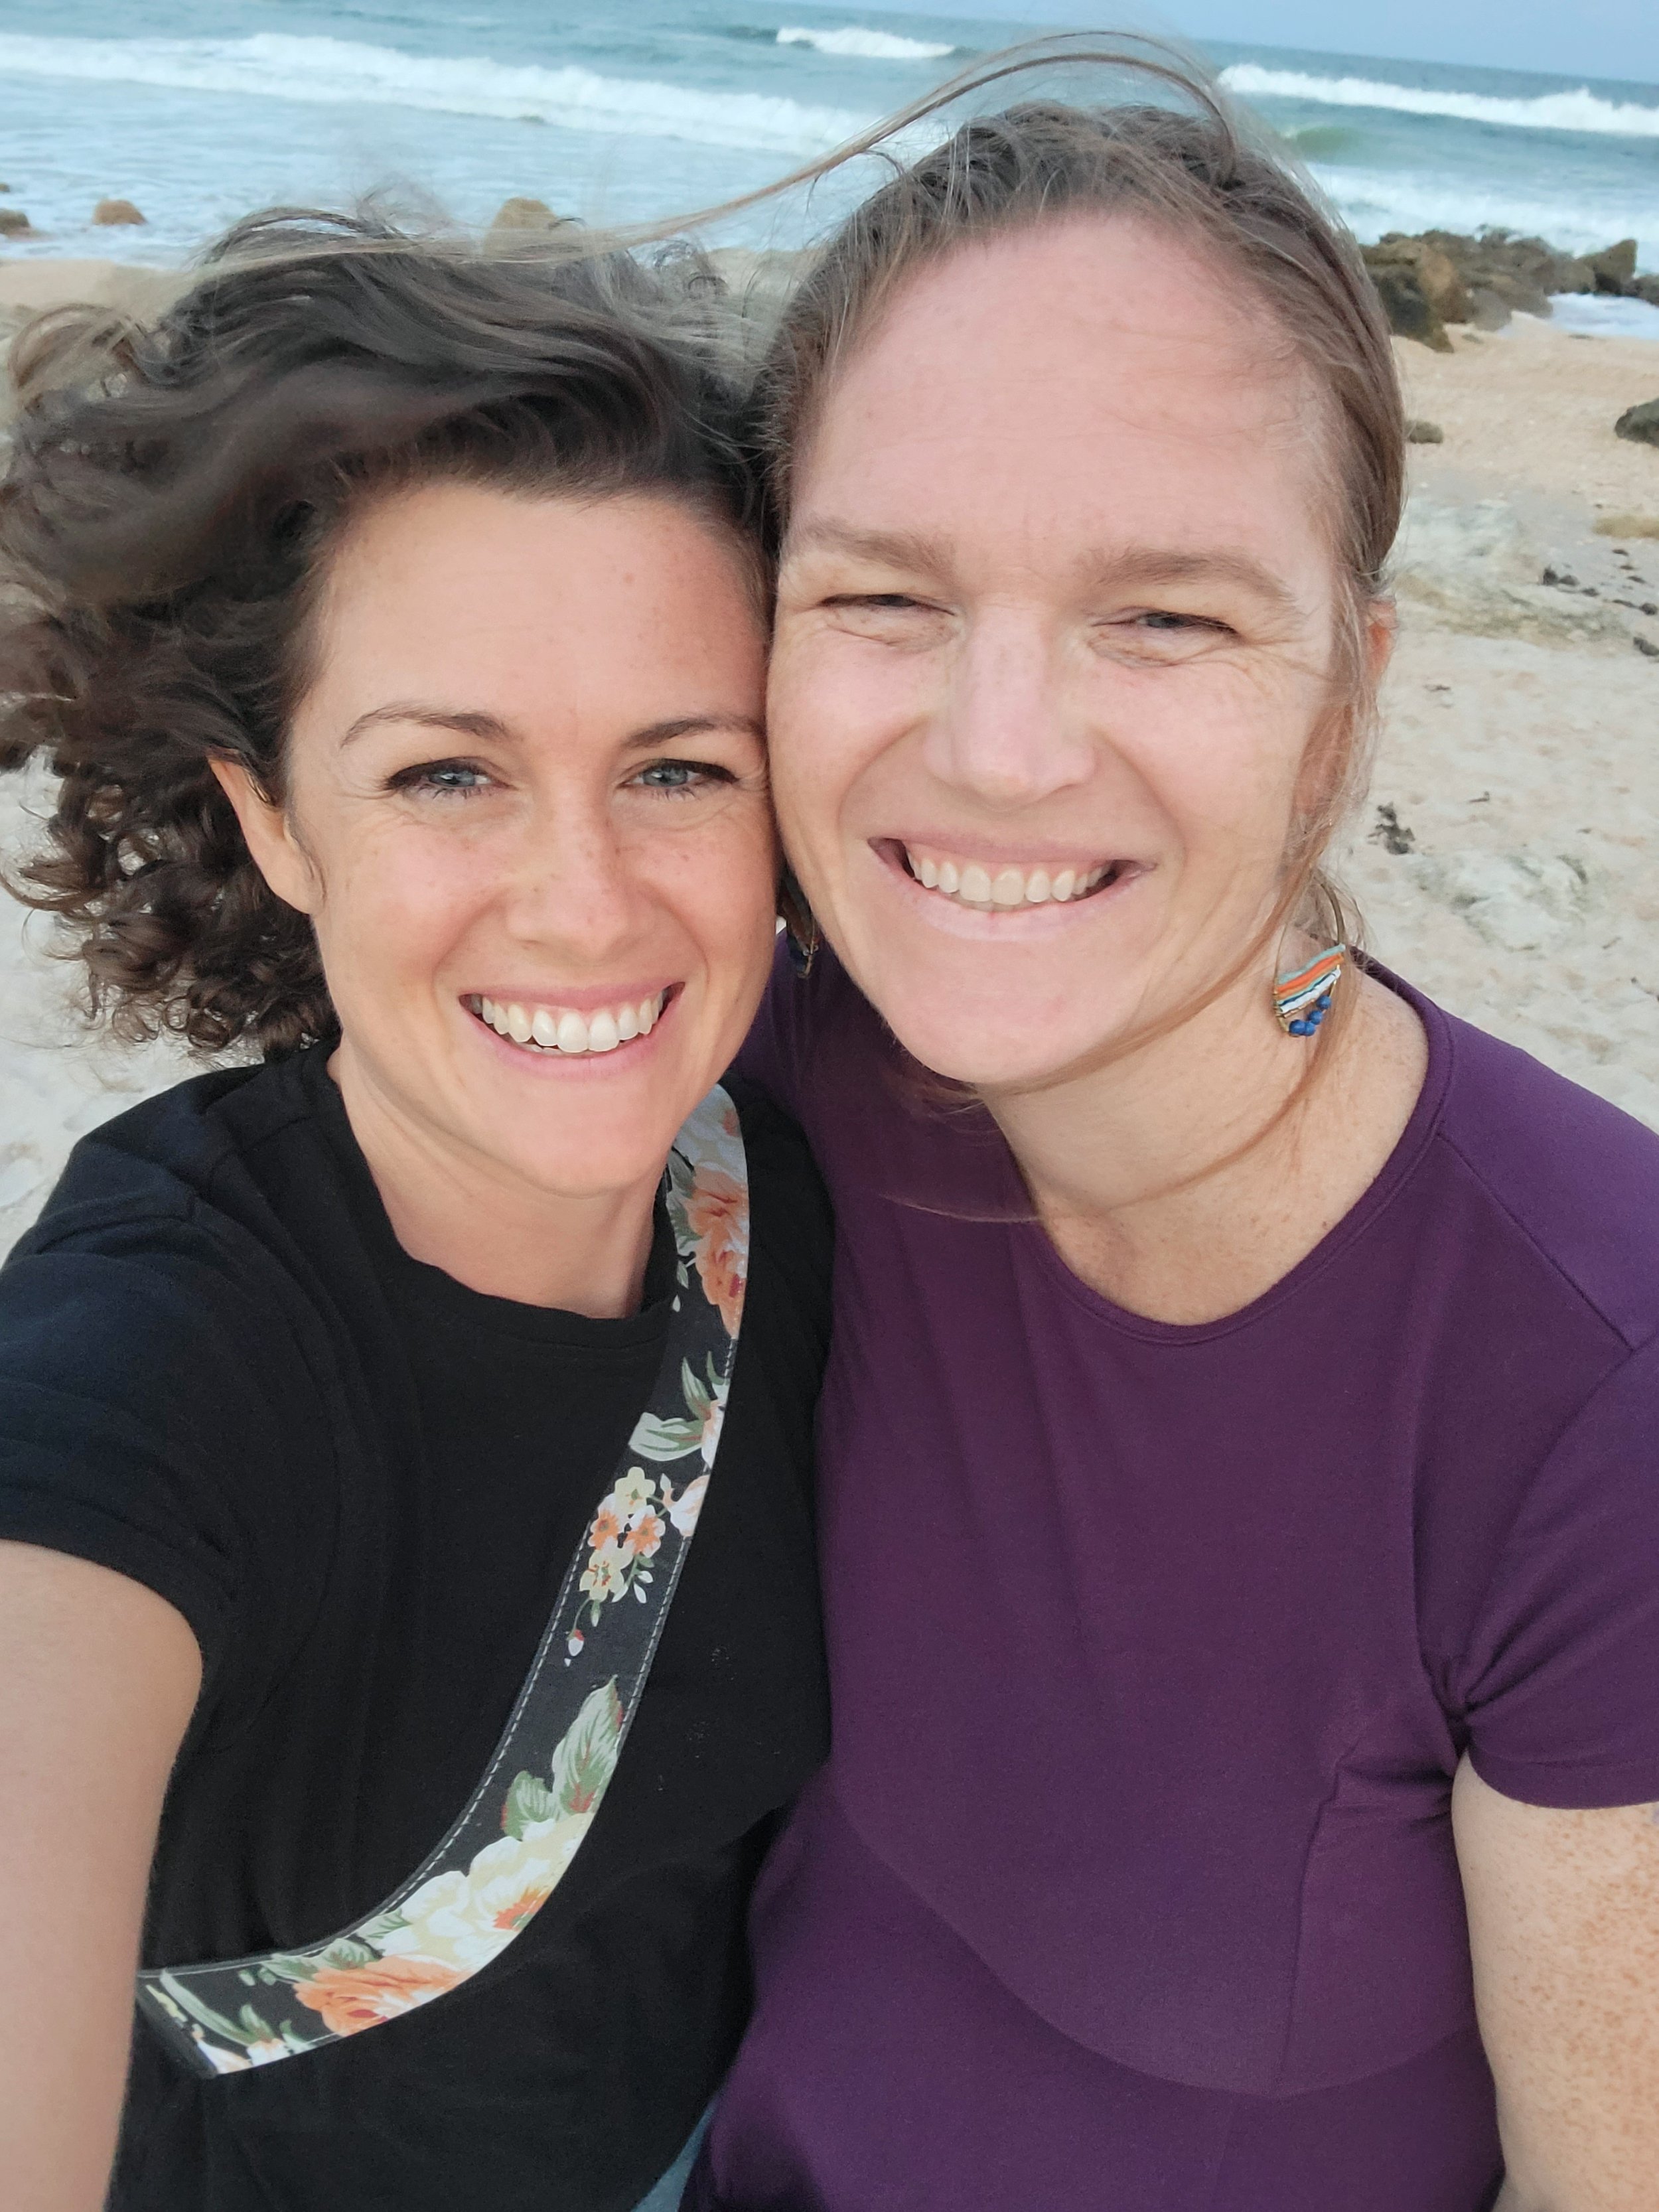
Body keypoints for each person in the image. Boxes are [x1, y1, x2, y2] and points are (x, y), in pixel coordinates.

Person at [687, 58, 1659, 2212]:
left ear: (1340, 708)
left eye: (1165, 614)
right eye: (880, 597)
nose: (996, 749)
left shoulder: (1590, 1387)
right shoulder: (740, 1090)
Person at [0, 216, 830, 2212]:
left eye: (679, 770)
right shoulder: (151, 1371)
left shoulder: (791, 1196)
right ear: (275, 815)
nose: (584, 901)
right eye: (450, 775)